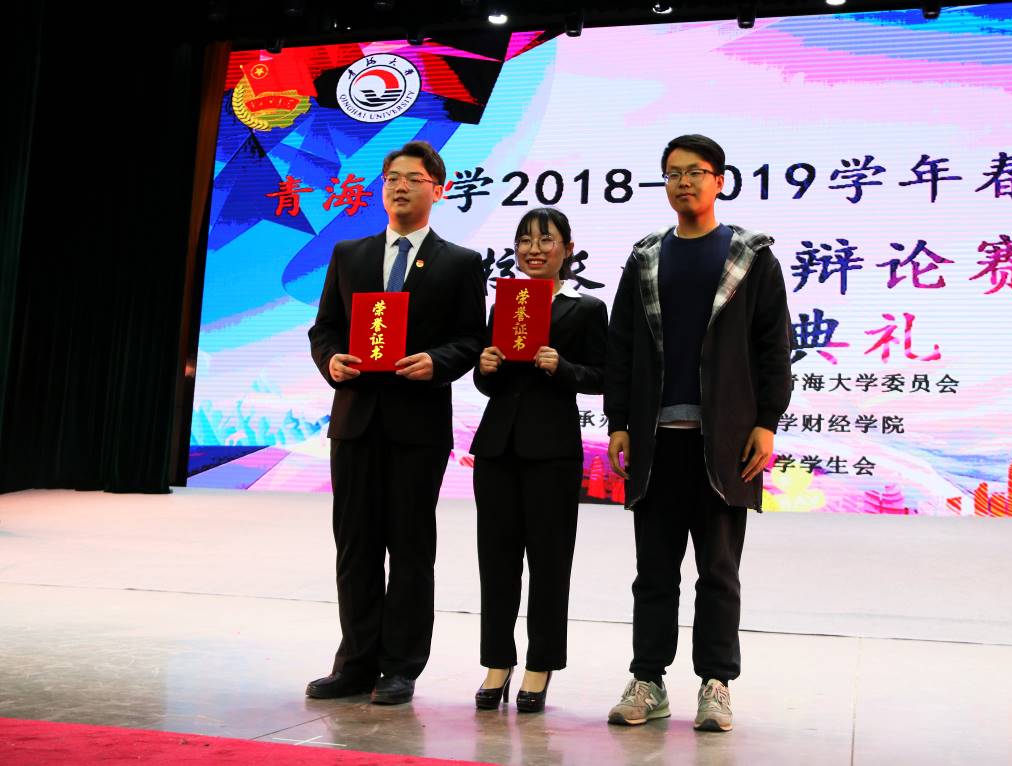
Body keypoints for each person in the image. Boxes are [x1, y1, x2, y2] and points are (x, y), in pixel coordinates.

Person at [603, 134, 792, 732]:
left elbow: (774, 346)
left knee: (718, 572)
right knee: (654, 573)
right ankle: (648, 680)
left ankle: (716, 683)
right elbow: (621, 346)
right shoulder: (645, 258)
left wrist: (766, 422)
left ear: (719, 181)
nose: (683, 182)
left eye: (695, 172)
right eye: (673, 173)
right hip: (657, 440)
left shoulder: (750, 257)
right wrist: (618, 422)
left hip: (725, 441)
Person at [306, 140, 486, 704]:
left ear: (439, 189)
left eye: (412, 178)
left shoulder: (460, 262)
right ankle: (355, 662)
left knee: (409, 546)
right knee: (355, 544)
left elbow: (471, 338)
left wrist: (437, 362)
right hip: (355, 421)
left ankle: (401, 665)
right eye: (391, 178)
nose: (399, 187)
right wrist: (331, 361)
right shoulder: (349, 254)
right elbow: (324, 328)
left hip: (417, 425)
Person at [469, 207, 608, 713]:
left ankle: (540, 664)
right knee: (496, 562)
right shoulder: (504, 304)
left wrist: (563, 366)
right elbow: (488, 385)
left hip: (552, 451)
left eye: (546, 240)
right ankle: (496, 663)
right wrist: (484, 367)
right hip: (496, 448)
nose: (534, 249)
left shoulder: (586, 309)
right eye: (525, 240)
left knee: (549, 563)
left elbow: (603, 376)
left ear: (567, 249)